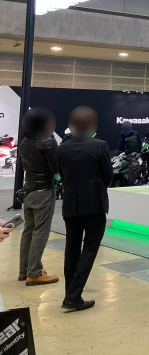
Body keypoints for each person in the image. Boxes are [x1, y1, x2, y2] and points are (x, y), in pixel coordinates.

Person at [57, 106, 113, 311]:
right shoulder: (100, 146)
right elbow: (108, 176)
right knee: (90, 248)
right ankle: (73, 296)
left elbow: (62, 176)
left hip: (71, 204)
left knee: (71, 247)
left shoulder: (62, 148)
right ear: (92, 125)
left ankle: (70, 294)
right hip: (94, 204)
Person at [17, 108, 59, 286]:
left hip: (28, 191)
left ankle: (24, 271)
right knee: (41, 232)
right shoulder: (48, 142)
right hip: (44, 192)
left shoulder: (24, 142)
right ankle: (34, 273)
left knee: (28, 231)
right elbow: (56, 168)